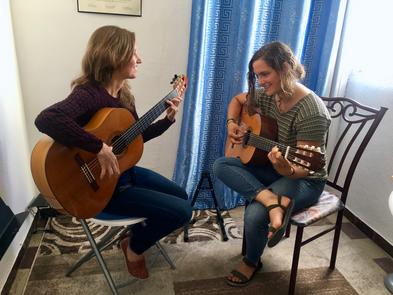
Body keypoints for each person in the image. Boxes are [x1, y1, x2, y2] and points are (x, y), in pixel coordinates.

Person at [34, 25, 192, 279]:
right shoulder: (89, 94)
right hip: (102, 188)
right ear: (114, 55)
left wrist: (168, 120)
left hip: (125, 173)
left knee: (182, 196)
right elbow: (47, 119)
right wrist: (98, 147)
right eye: (134, 54)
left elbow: (135, 139)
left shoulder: (124, 97)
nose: (139, 60)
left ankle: (135, 235)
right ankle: (135, 248)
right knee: (182, 212)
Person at [213, 41, 331, 287]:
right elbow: (237, 100)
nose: (261, 81)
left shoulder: (312, 111)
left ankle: (252, 261)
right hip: (274, 168)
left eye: (265, 74)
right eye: (258, 76)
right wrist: (231, 124)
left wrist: (283, 167)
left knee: (255, 215)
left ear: (285, 68)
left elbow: (303, 168)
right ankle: (273, 202)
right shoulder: (269, 95)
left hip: (304, 178)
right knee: (221, 165)